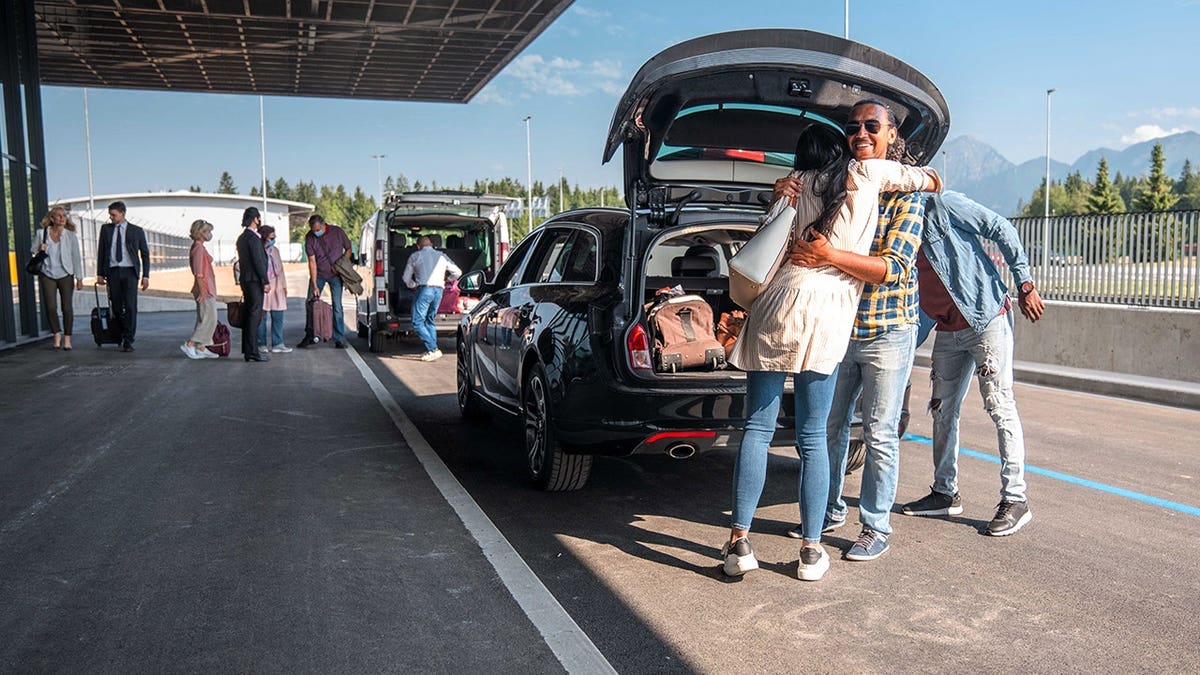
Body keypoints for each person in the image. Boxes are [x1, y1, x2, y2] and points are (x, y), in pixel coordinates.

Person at [721, 124, 940, 581]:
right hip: (824, 313)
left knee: (757, 430)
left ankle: (739, 543)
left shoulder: (792, 185)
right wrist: (920, 176)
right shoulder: (865, 173)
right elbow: (931, 180)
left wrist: (779, 193)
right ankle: (810, 549)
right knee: (813, 437)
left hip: (774, 305)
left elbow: (768, 247)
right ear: (840, 150)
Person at [783, 100, 927, 562]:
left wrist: (828, 257)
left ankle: (875, 527)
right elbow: (801, 227)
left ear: (891, 136)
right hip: (838, 326)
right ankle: (827, 510)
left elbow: (893, 267)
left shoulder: (906, 195)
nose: (860, 133)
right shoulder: (837, 180)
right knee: (829, 428)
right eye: (853, 127)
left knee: (880, 434)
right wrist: (785, 187)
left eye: (871, 126)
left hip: (888, 330)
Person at [899, 191, 1045, 536]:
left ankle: (1015, 499)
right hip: (947, 329)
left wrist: (1025, 283)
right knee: (941, 409)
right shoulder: (890, 224)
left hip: (985, 318)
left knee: (999, 405)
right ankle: (944, 492)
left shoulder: (939, 205)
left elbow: (999, 226)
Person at [96, 200, 150, 352]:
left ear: (122, 213)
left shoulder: (137, 231)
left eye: (113, 215)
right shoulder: (106, 229)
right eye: (110, 215)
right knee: (117, 307)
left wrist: (146, 276)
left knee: (131, 306)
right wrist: (100, 273)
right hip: (113, 271)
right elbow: (101, 252)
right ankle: (122, 332)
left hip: (130, 272)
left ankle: (128, 339)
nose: (111, 218)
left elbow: (145, 254)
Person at [402, 235, 462, 362]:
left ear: (418, 246)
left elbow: (406, 278)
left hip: (424, 289)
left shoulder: (415, 256)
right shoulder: (442, 256)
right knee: (430, 319)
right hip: (439, 291)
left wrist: (413, 285)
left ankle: (433, 349)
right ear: (432, 245)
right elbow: (457, 272)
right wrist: (447, 280)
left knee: (417, 321)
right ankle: (431, 350)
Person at [33, 206, 85, 350]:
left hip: (66, 274)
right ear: (52, 219)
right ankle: (56, 333)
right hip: (47, 274)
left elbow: (76, 257)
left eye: (64, 216)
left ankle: (67, 338)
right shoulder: (41, 233)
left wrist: (79, 278)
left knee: (66, 307)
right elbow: (33, 251)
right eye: (59, 216)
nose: (62, 218)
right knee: (50, 307)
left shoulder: (70, 235)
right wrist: (39, 249)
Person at [297, 214, 352, 349]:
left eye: (317, 230)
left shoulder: (337, 232)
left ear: (323, 225)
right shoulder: (310, 237)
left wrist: (340, 265)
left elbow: (349, 249)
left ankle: (339, 338)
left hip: (335, 276)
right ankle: (310, 335)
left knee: (337, 306)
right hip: (319, 275)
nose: (316, 233)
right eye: (313, 230)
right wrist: (315, 284)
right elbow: (312, 261)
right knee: (310, 303)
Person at [181, 219, 220, 360]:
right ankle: (190, 344)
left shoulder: (200, 247)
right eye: (208, 231)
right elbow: (198, 273)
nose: (210, 234)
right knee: (210, 319)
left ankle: (202, 346)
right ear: (200, 233)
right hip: (204, 288)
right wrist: (203, 291)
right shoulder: (198, 248)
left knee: (205, 318)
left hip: (207, 287)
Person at [236, 207, 271, 362]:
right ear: (255, 219)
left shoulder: (242, 238)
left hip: (246, 279)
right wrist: (265, 280)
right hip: (255, 281)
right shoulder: (253, 238)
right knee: (254, 316)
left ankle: (248, 349)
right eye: (258, 218)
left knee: (249, 315)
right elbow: (258, 261)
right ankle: (252, 351)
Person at [257, 225, 292, 353]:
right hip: (263, 286)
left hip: (276, 286)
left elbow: (280, 270)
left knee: (278, 315)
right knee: (262, 317)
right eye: (271, 237)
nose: (273, 239)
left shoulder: (275, 250)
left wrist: (284, 286)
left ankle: (278, 343)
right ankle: (261, 344)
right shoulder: (258, 250)